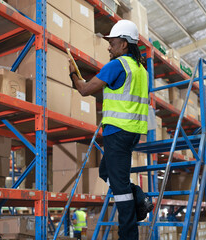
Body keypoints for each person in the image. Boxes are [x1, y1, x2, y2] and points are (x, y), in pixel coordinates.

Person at [69, 20, 153, 240]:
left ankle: (129, 235)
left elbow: (85, 89)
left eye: (113, 42)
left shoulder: (118, 65)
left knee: (120, 189)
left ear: (124, 44)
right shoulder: (141, 70)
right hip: (132, 132)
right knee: (106, 173)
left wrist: (73, 74)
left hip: (117, 132)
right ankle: (139, 196)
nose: (109, 46)